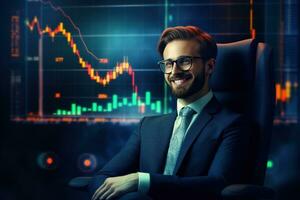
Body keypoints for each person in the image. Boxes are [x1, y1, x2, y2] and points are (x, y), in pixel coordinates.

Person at [88, 26, 254, 200]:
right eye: (168, 63)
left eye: (184, 61)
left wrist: (142, 181)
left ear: (209, 66)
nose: (174, 71)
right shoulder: (148, 127)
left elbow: (217, 184)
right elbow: (103, 178)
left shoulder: (233, 124)